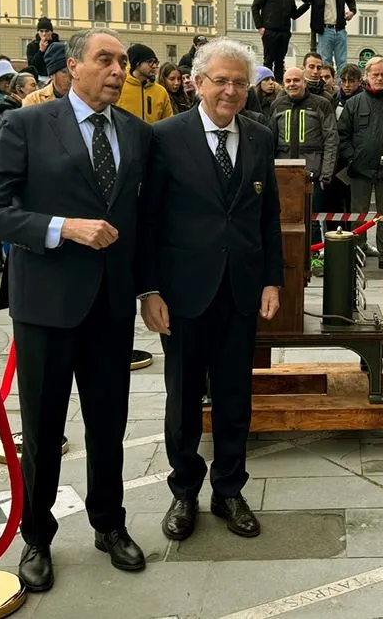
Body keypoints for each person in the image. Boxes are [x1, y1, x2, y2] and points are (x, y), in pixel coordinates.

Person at [0, 27, 151, 592]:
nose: (118, 70)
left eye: (122, 61)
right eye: (105, 59)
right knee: (43, 431)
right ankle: (37, 537)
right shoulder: (25, 124)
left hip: (111, 305)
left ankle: (109, 524)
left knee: (108, 424)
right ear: (73, 65)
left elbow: (142, 222)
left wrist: (149, 289)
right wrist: (61, 228)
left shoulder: (138, 135)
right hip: (45, 305)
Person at [136, 39, 284, 544]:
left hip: (241, 290)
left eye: (239, 82)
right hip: (183, 293)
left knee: (234, 397)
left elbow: (268, 217)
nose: (230, 90)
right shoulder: (165, 137)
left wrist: (271, 278)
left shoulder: (261, 138)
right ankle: (183, 491)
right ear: (196, 83)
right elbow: (148, 221)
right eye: (220, 80)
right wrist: (149, 289)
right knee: (182, 400)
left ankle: (228, 489)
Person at [338, 58, 383, 257]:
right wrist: (352, 159)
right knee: (358, 212)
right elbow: (343, 135)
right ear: (366, 77)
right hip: (359, 169)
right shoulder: (353, 104)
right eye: (375, 75)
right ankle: (358, 249)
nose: (379, 78)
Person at [270, 66, 337, 250]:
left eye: (296, 80)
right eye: (288, 81)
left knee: (312, 220)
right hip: (284, 175)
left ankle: (313, 258)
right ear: (283, 84)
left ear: (304, 82)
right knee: (286, 219)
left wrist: (326, 174)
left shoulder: (321, 104)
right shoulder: (277, 105)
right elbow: (271, 142)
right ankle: (289, 258)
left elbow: (331, 140)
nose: (292, 84)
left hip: (312, 176)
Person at [300, 0, 355, 76]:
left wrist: (352, 12)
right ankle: (326, 87)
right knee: (325, 62)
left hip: (340, 29)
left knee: (342, 63)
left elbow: (350, 0)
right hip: (324, 30)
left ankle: (341, 88)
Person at [251, 0, 306, 72]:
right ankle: (266, 84)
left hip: (284, 33)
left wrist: (307, 5)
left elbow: (294, 15)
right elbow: (255, 7)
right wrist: (260, 27)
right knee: (268, 60)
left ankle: (279, 85)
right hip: (269, 31)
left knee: (280, 61)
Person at [115, 44, 174, 123]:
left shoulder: (161, 92)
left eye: (156, 62)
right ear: (137, 63)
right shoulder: (119, 87)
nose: (154, 66)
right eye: (150, 62)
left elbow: (168, 122)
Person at [23, 42, 71, 107]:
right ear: (51, 75)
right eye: (65, 72)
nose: (71, 77)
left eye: (74, 71)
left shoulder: (85, 98)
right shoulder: (34, 100)